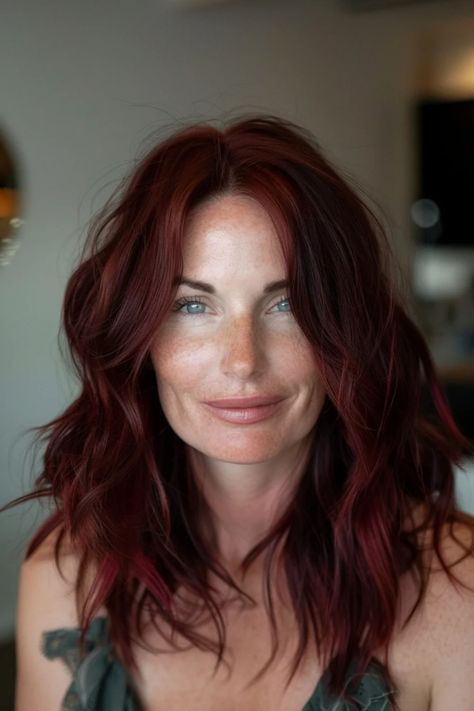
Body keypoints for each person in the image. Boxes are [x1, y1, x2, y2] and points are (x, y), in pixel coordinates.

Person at [7, 114, 474, 711]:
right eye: (193, 305)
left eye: (286, 303)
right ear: (139, 336)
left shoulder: (455, 592)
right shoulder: (62, 574)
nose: (242, 361)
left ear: (344, 330)